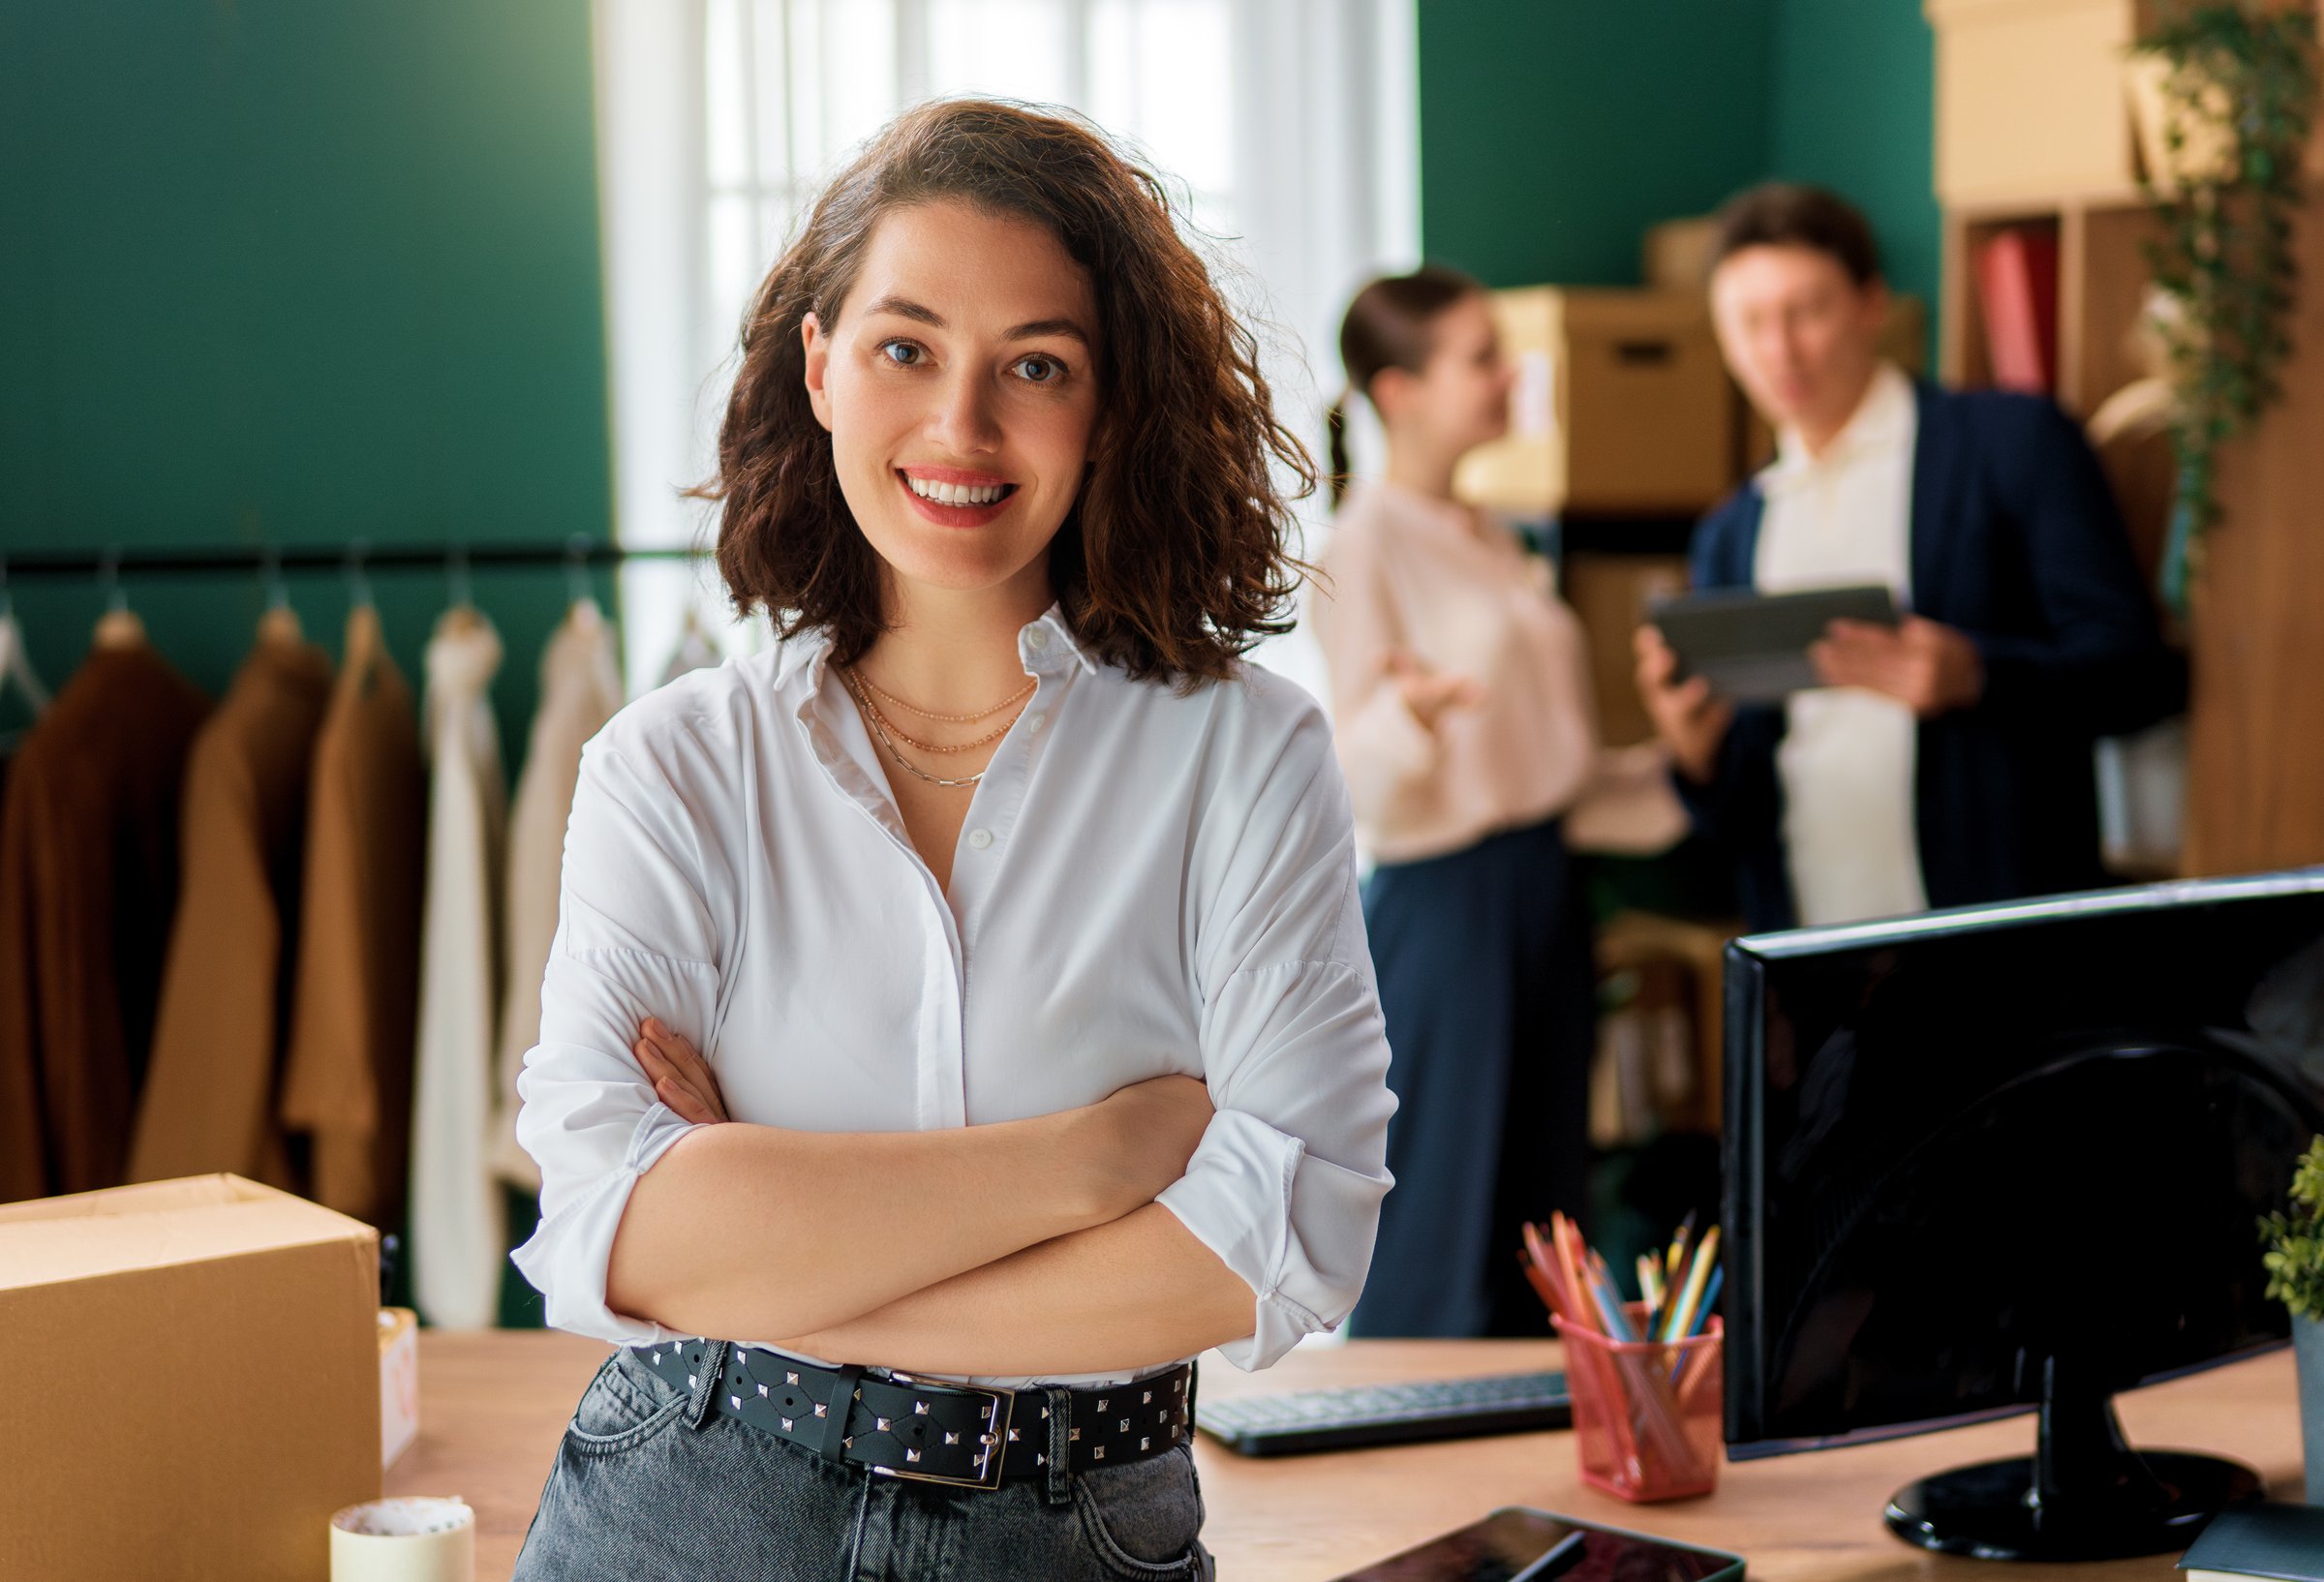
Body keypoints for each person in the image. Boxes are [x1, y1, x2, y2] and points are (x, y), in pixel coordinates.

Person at [505, 100, 1395, 1579]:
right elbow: (610, 1221)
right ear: (820, 366)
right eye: (905, 347)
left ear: (1108, 403)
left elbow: (1284, 1239)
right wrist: (1100, 1155)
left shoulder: (1246, 756)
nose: (962, 428)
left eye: (1033, 365)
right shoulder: (671, 766)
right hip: (692, 1499)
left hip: (1079, 1524)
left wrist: (768, 1252)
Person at [1635, 184, 2186, 932]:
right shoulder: (1731, 530)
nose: (1779, 350)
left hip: (1998, 949)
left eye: (1807, 311)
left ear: (1871, 304)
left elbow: (2139, 677)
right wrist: (1694, 755)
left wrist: (1977, 675)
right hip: (1816, 962)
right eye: (1749, 322)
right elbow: (1742, 812)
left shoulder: (2013, 445)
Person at [1310, 266, 1601, 1338]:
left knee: (1542, 1206)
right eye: (1481, 356)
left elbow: (1547, 761)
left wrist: (1677, 759)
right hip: (1447, 911)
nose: (1508, 375)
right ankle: (1402, 1469)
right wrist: (1415, 718)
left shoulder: (1498, 537)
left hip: (1545, 890)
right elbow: (1356, 781)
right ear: (1401, 389)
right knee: (1443, 1212)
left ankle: (1532, 1472)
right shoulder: (1360, 547)